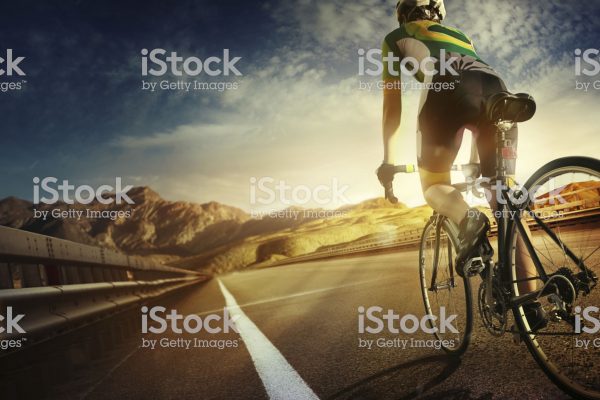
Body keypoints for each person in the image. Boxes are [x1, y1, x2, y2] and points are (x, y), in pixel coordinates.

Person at [376, 0, 546, 327]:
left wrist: (388, 162)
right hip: (495, 87)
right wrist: (473, 163)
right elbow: (474, 90)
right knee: (503, 196)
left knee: (433, 187)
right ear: (438, 13)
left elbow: (391, 108)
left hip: (443, 88)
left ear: (403, 14)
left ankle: (467, 218)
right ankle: (530, 303)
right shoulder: (461, 36)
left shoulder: (394, 38)